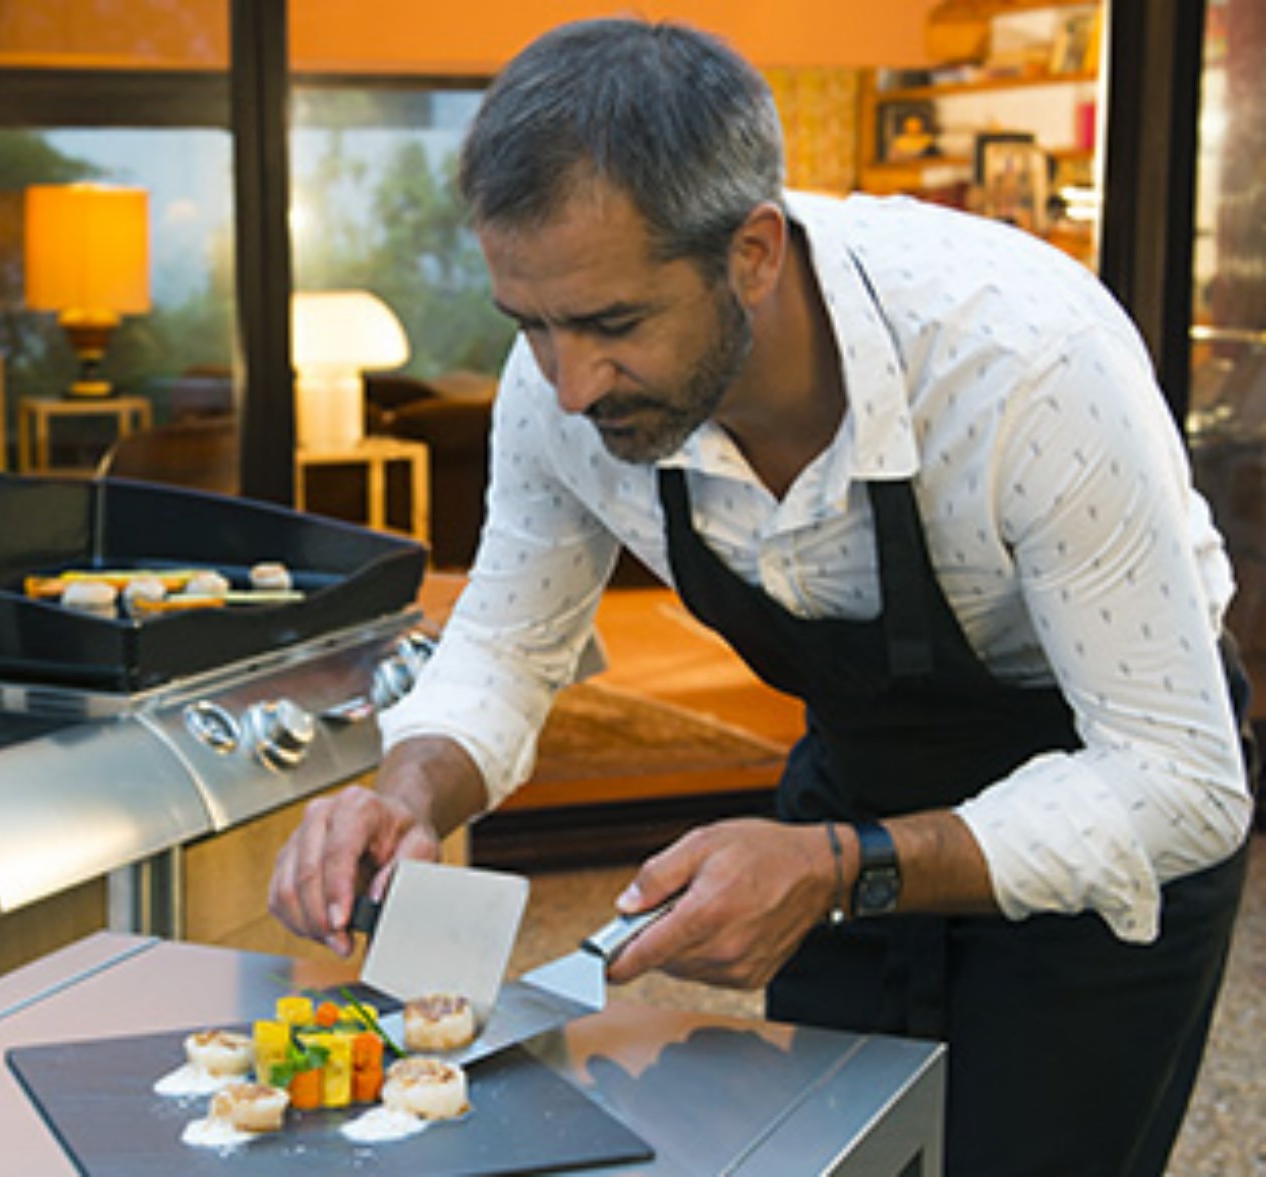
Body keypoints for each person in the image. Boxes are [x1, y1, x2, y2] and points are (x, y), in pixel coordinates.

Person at [269, 18, 1254, 1176]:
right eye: (529, 323)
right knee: (819, 1154)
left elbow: (1182, 781)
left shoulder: (1023, 364)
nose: (568, 383)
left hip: (1101, 800)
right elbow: (505, 645)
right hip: (855, 783)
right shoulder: (557, 393)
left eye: (613, 324)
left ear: (752, 252)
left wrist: (842, 863)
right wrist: (406, 789)